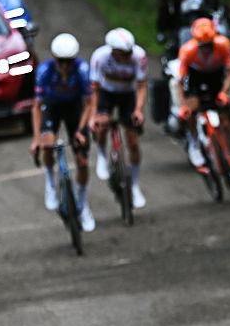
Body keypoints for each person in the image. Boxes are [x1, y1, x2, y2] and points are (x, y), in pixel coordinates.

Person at [29, 33, 95, 232]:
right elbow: (36, 106)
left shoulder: (82, 70)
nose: (65, 66)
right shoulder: (44, 71)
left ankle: (83, 204)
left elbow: (89, 103)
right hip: (53, 107)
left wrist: (81, 130)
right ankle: (50, 182)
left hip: (75, 108)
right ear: (54, 59)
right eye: (61, 62)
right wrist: (36, 140)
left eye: (69, 62)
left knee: (82, 161)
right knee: (47, 144)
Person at [176, 17, 230, 190]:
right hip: (195, 77)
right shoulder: (187, 50)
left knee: (225, 121)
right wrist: (183, 105)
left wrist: (224, 92)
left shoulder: (223, 44)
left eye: (209, 45)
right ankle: (193, 141)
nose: (206, 49)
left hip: (215, 78)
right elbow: (179, 82)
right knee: (191, 109)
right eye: (202, 45)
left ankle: (228, 159)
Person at [87, 27, 149, 210]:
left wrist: (138, 110)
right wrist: (93, 115)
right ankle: (101, 154)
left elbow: (142, 86)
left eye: (130, 52)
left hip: (127, 95)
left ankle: (134, 184)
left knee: (133, 142)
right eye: (124, 54)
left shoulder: (139, 56)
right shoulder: (100, 57)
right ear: (114, 51)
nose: (129, 56)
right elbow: (94, 89)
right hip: (106, 94)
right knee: (102, 125)